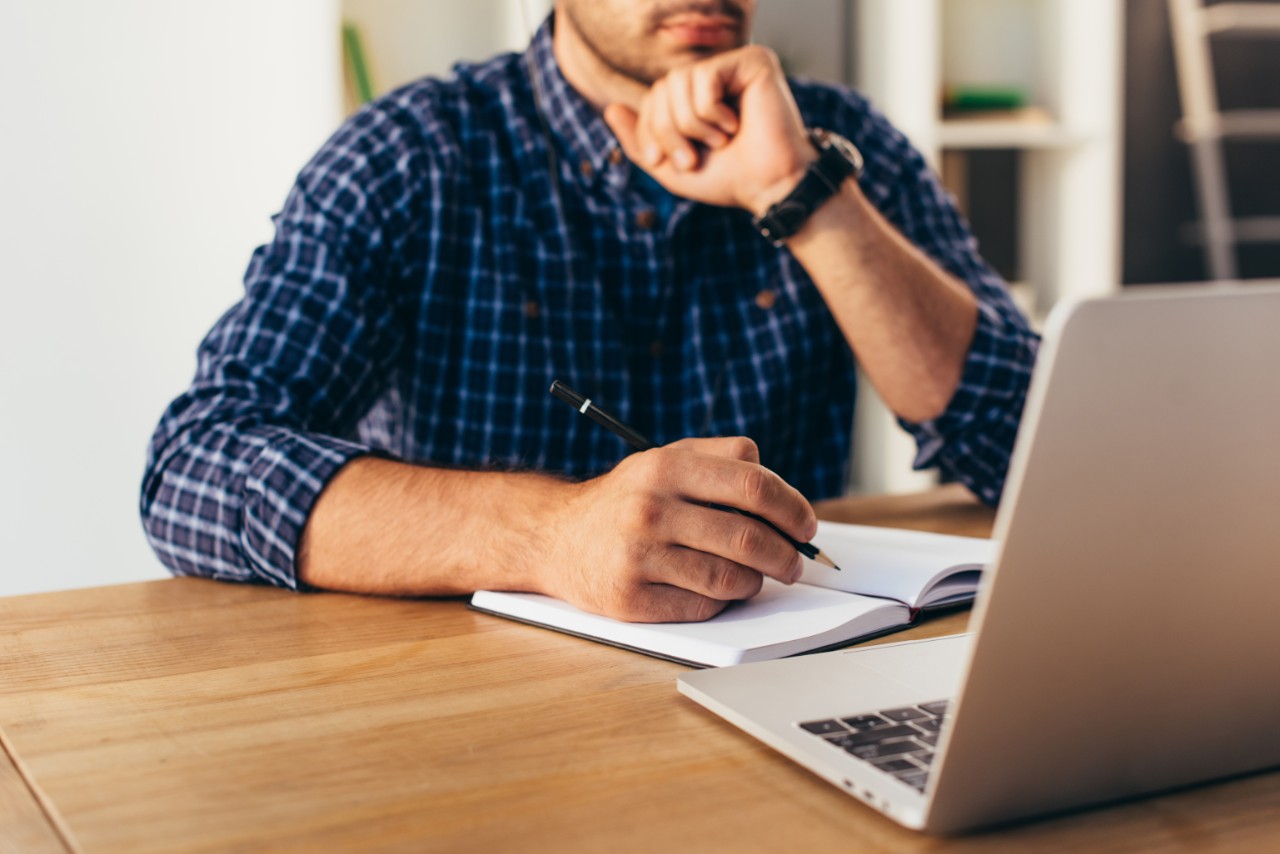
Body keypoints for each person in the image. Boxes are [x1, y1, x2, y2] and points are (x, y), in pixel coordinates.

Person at [140, 1, 1038, 623]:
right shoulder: (410, 154)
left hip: (788, 687)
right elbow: (196, 467)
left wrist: (797, 190)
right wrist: (549, 534)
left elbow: (1037, 451)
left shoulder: (837, 144)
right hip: (472, 722)